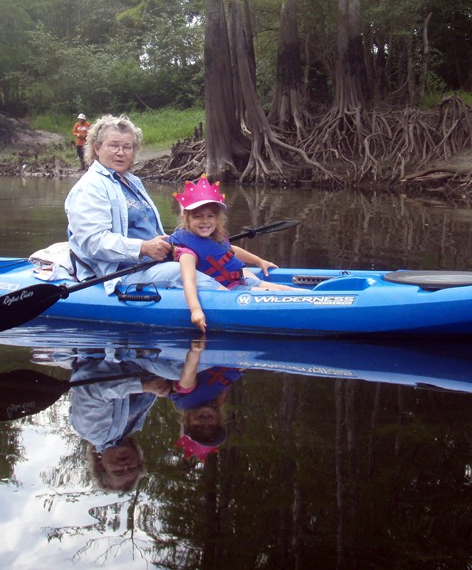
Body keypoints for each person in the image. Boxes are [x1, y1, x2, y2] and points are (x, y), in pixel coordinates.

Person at [65, 115, 220, 297]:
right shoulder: (89, 187)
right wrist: (143, 248)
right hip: (120, 272)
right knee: (183, 273)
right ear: (97, 148)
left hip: (153, 263)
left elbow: (150, 230)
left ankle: (252, 285)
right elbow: (93, 242)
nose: (121, 152)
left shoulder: (132, 181)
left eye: (127, 147)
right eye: (113, 145)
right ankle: (242, 298)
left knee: (210, 255)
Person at [167, 174, 302, 332]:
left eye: (210, 216)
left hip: (239, 280)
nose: (205, 221)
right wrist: (195, 310)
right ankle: (313, 306)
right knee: (272, 293)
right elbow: (188, 281)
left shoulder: (214, 238)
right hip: (228, 291)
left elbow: (231, 252)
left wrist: (258, 261)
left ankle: (317, 295)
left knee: (280, 288)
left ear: (217, 218)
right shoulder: (187, 252)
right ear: (186, 219)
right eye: (198, 217)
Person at [68, 339, 206, 491]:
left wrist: (144, 386)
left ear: (101, 465)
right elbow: (147, 387)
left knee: (188, 368)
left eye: (118, 471)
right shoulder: (130, 427)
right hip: (134, 356)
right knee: (192, 374)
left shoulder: (93, 433)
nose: (125, 466)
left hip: (106, 350)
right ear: (139, 461)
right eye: (132, 469)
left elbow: (92, 390)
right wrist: (166, 387)